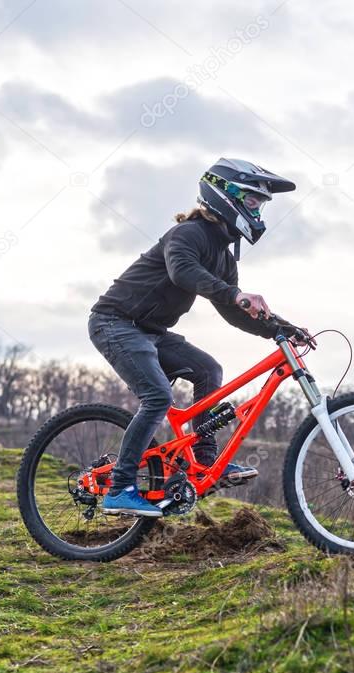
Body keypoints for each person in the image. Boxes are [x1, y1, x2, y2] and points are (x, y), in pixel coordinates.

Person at [88, 158, 308, 517]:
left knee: (208, 370)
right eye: (254, 201)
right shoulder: (188, 233)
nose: (258, 211)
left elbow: (236, 311)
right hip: (115, 323)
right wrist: (236, 294)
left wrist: (283, 329)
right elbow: (182, 272)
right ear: (226, 195)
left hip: (152, 333)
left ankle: (204, 463)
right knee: (158, 398)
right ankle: (119, 488)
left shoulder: (224, 257)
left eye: (261, 205)